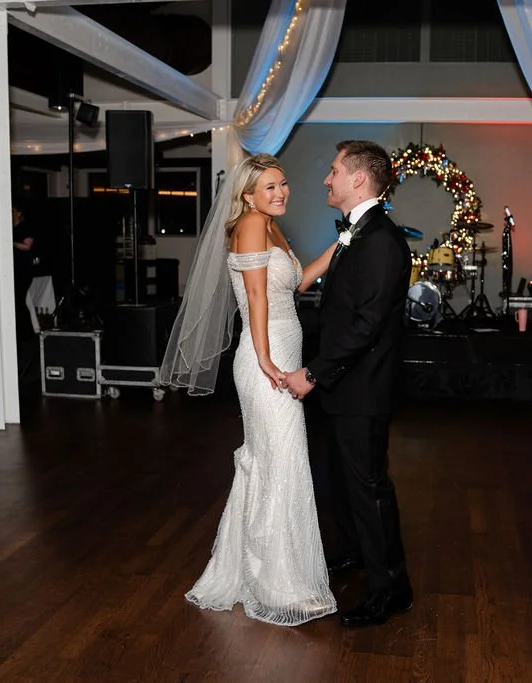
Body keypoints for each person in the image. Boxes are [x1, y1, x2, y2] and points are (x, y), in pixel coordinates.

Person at [159, 153, 339, 626]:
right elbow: (256, 296)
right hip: (266, 361)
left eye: (283, 184)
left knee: (278, 461)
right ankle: (276, 582)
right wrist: (263, 357)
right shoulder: (250, 226)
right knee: (281, 460)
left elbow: (293, 283)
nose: (281, 193)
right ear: (247, 195)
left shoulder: (271, 226)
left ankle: (269, 571)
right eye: (270, 188)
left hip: (280, 352)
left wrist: (337, 249)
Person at [282, 140, 413, 628]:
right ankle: (359, 556)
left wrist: (312, 373)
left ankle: (392, 590)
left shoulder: (380, 239)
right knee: (342, 484)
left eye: (334, 170)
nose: (326, 178)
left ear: (358, 178)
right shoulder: (359, 234)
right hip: (344, 388)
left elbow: (367, 324)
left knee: (369, 489)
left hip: (362, 391)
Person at [11, 203, 36, 341]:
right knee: (16, 300)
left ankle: (27, 333)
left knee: (19, 300)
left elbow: (27, 246)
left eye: (12, 211)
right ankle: (21, 331)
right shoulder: (9, 228)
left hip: (23, 269)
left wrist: (12, 243)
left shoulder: (24, 227)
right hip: (13, 268)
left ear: (19, 213)